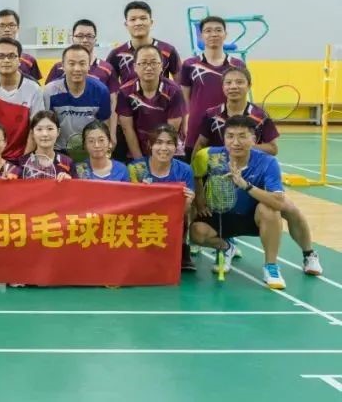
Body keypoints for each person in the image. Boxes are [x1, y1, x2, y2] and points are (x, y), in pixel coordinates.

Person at [190, 116, 289, 289]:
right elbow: (196, 175)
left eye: (242, 136)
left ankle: (271, 266)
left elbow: (279, 202)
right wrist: (199, 198)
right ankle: (226, 247)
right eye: (230, 136)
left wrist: (246, 186)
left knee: (269, 209)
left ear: (253, 139)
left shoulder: (268, 162)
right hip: (220, 215)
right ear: (224, 138)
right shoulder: (208, 155)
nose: (235, 142)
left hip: (251, 217)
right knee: (196, 233)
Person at [128, 125, 197, 271]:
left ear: (176, 147)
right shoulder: (135, 168)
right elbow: (127, 205)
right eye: (158, 142)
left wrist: (188, 201)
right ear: (150, 145)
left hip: (171, 220)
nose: (164, 148)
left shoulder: (185, 170)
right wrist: (140, 192)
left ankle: (183, 247)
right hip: (142, 220)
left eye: (169, 143)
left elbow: (185, 211)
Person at [181, 16, 246, 154]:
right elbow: (184, 98)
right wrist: (185, 122)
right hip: (196, 127)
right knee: (194, 164)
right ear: (201, 36)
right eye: (208, 31)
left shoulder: (238, 65)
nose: (213, 34)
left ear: (225, 34)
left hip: (228, 126)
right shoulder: (189, 64)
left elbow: (242, 97)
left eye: (218, 30)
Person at [0, 38, 43, 161]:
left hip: (23, 156)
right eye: (1, 56)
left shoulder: (34, 87)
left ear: (19, 60)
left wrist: (24, 161)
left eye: (11, 56)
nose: (6, 60)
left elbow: (35, 128)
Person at [116, 44, 187, 160]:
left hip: (168, 148)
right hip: (137, 149)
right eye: (143, 63)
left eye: (154, 63)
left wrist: (159, 158)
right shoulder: (125, 92)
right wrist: (139, 160)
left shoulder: (174, 91)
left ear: (161, 66)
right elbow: (127, 129)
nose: (148, 68)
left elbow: (171, 130)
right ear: (135, 67)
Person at [43, 44, 113, 157]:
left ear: (89, 65)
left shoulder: (101, 91)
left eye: (82, 63)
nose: (77, 69)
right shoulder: (50, 91)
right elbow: (45, 126)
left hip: (89, 150)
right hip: (58, 150)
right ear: (63, 66)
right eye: (71, 64)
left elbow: (104, 125)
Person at [192, 67, 278, 156]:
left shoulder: (261, 116)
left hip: (249, 164)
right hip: (218, 164)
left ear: (249, 86)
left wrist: (246, 145)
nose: (233, 87)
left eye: (239, 82)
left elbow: (273, 148)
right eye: (228, 83)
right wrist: (194, 164)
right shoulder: (211, 115)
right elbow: (200, 144)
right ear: (223, 87)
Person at [106, 1, 181, 85]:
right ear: (126, 24)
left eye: (143, 18)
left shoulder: (168, 51)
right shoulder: (116, 55)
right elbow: (110, 87)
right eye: (133, 19)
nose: (138, 23)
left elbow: (181, 85)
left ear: (151, 22)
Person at [45, 19, 119, 94]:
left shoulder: (107, 69)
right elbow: (48, 94)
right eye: (80, 36)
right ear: (72, 39)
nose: (85, 40)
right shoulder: (58, 68)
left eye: (89, 36)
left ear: (95, 40)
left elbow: (113, 98)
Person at [20, 111, 74, 180]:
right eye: (39, 129)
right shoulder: (22, 162)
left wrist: (70, 181)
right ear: (32, 133)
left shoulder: (68, 162)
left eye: (50, 129)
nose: (45, 134)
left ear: (58, 132)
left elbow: (77, 186)